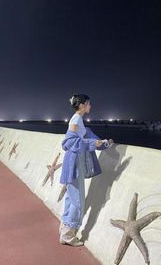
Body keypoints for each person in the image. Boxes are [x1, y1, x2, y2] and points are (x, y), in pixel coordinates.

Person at [59, 94, 114, 246]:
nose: (90, 106)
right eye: (89, 104)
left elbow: (85, 137)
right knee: (77, 200)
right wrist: (93, 144)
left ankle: (64, 230)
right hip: (74, 162)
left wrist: (103, 143)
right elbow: (71, 142)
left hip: (74, 161)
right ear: (82, 105)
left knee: (71, 198)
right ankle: (68, 235)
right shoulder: (76, 119)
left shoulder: (78, 120)